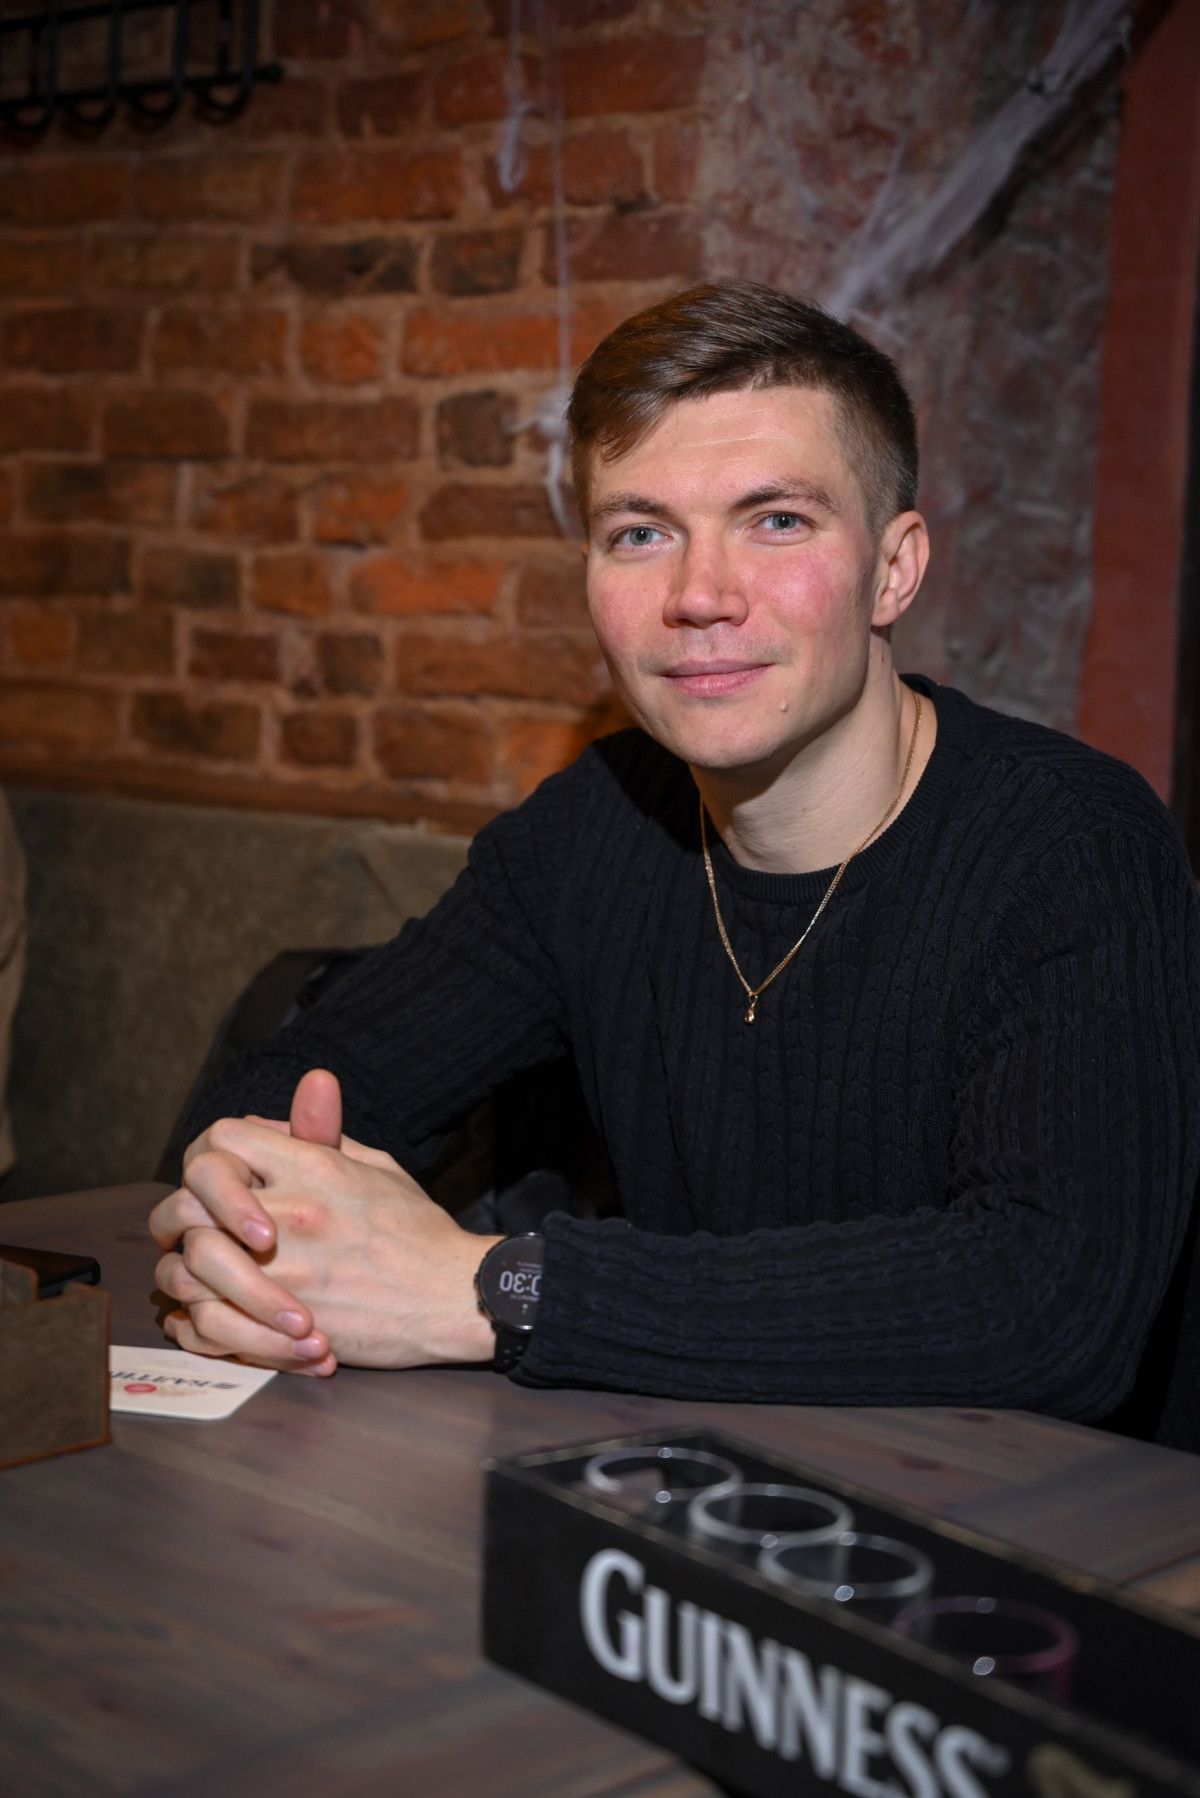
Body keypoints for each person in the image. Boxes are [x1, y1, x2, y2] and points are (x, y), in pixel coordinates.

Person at [149, 280, 1200, 1419]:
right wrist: (247, 1212)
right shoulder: (596, 827)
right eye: (640, 533)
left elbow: (1048, 1310)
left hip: (1026, 1510)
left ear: (894, 568)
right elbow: (291, 1091)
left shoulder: (1072, 847)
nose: (699, 596)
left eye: (776, 520)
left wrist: (494, 1288)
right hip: (685, 1474)